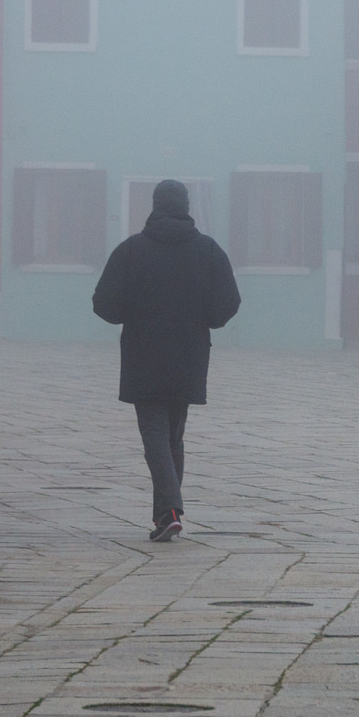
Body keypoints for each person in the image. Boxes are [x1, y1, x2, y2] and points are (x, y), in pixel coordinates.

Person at [92, 179, 240, 542]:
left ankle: (170, 509)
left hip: (144, 354)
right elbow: (229, 302)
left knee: (156, 433)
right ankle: (165, 517)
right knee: (174, 434)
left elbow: (103, 304)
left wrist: (134, 314)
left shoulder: (131, 251)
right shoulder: (208, 251)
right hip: (189, 355)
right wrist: (204, 320)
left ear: (155, 205)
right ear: (186, 206)